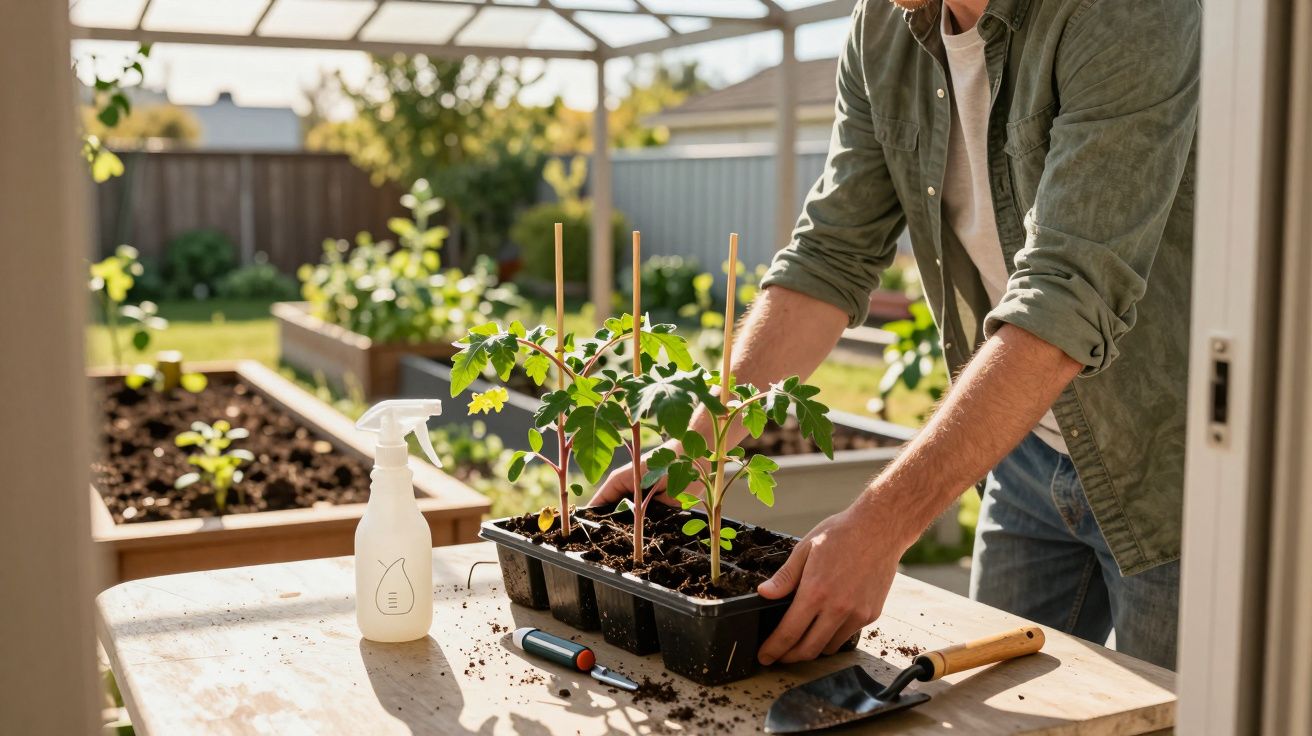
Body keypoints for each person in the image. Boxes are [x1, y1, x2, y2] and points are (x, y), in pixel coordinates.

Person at [590, 0, 1198, 671]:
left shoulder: (1129, 13)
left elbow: (1068, 295)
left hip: (1177, 465)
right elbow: (829, 257)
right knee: (1000, 711)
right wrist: (694, 450)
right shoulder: (885, 26)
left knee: (1173, 713)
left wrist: (881, 526)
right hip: (1024, 448)